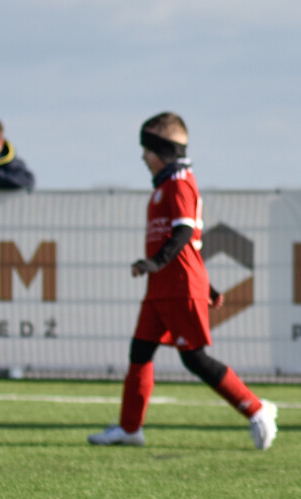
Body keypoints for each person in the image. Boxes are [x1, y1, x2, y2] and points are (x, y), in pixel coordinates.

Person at [88, 112, 278, 450]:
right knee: (140, 352)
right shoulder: (165, 185)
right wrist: (205, 282)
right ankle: (130, 429)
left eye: (146, 148)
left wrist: (155, 263)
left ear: (162, 149)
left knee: (194, 359)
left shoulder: (180, 182)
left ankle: (256, 408)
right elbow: (193, 244)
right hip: (162, 288)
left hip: (177, 288)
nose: (143, 156)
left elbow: (185, 232)